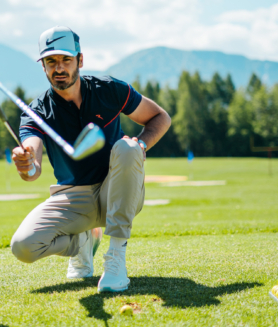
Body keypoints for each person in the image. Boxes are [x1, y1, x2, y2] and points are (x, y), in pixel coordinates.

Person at [10, 26, 171, 292]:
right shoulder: (35, 111)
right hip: (73, 198)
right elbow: (33, 164)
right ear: (43, 66)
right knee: (23, 247)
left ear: (80, 60)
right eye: (51, 61)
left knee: (128, 148)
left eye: (66, 60)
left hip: (116, 192)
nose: (59, 68)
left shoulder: (109, 89)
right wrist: (26, 164)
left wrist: (141, 144)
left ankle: (116, 260)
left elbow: (160, 117)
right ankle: (82, 242)